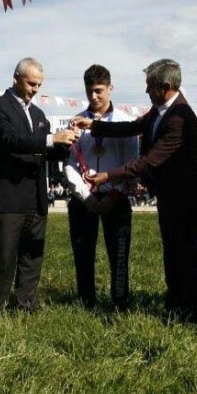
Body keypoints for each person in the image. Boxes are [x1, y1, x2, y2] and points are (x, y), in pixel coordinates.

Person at [78, 59, 197, 318]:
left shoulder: (180, 118)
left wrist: (108, 176)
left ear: (166, 86)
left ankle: (190, 309)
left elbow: (148, 161)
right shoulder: (160, 111)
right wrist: (95, 125)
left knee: (185, 254)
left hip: (183, 197)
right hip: (169, 196)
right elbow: (132, 127)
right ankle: (175, 302)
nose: (146, 92)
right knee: (172, 251)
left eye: (150, 87)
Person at [0, 57, 78, 313]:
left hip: (36, 196)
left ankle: (27, 301)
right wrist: (50, 139)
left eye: (39, 85)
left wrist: (66, 143)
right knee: (6, 257)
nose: (35, 90)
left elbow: (43, 152)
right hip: (10, 195)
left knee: (33, 255)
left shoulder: (38, 113)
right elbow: (10, 141)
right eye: (31, 83)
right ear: (16, 77)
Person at [63, 64, 138, 309]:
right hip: (84, 199)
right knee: (83, 253)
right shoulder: (76, 124)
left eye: (98, 90)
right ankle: (86, 301)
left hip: (115, 198)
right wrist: (85, 197)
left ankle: (120, 302)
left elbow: (131, 165)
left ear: (110, 88)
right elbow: (70, 164)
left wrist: (114, 194)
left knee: (119, 254)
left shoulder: (125, 123)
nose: (93, 97)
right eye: (89, 91)